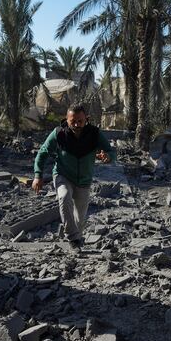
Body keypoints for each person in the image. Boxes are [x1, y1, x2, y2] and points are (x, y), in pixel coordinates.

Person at [33, 105, 116, 249]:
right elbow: (42, 153)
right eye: (73, 122)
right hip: (62, 175)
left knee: (80, 220)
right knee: (64, 197)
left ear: (86, 120)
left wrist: (107, 157)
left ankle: (75, 235)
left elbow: (111, 152)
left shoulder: (94, 134)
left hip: (84, 181)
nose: (77, 125)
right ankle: (73, 239)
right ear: (67, 119)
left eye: (80, 121)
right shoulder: (58, 133)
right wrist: (37, 175)